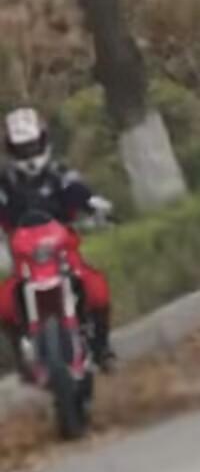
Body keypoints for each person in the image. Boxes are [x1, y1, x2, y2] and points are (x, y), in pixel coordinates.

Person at [0, 107, 115, 368]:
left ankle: (102, 348)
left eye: (32, 146)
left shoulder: (60, 173)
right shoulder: (4, 182)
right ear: (10, 149)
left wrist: (95, 205)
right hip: (25, 259)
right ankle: (20, 352)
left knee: (97, 290)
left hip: (63, 252)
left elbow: (80, 192)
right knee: (5, 303)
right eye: (21, 149)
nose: (28, 154)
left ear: (43, 141)